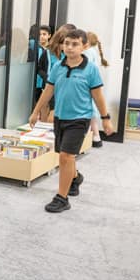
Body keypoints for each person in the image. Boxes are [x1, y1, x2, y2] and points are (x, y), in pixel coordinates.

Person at [29, 28, 113, 213]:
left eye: (74, 44)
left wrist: (105, 119)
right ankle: (75, 178)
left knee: (66, 156)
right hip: (60, 117)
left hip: (80, 119)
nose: (69, 47)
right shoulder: (58, 66)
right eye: (66, 43)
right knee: (65, 156)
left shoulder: (90, 69)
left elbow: (98, 97)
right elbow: (48, 90)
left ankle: (62, 198)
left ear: (84, 46)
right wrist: (35, 112)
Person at [84, 31, 110, 148]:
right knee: (91, 110)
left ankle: (95, 136)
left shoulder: (88, 52)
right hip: (92, 83)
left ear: (87, 42)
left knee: (90, 111)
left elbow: (86, 67)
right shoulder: (93, 52)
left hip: (88, 84)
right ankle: (95, 136)